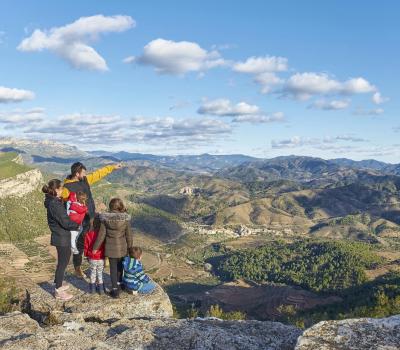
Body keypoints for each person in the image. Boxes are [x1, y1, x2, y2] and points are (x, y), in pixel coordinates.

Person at [62, 162, 123, 278]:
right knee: (79, 244)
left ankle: (102, 257)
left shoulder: (84, 180)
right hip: (78, 220)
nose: (85, 174)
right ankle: (77, 268)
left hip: (91, 216)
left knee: (99, 236)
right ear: (77, 173)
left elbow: (98, 174)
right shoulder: (67, 188)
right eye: (83, 172)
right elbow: (61, 201)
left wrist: (111, 167)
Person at [43, 179, 80, 301]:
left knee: (63, 261)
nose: (63, 190)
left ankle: (58, 284)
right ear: (56, 189)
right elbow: (65, 222)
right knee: (63, 263)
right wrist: (77, 225)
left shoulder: (53, 201)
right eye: (61, 188)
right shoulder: (54, 204)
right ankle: (58, 291)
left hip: (60, 235)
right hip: (61, 236)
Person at [92, 198, 133, 299]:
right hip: (123, 248)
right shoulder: (125, 219)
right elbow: (129, 236)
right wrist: (130, 248)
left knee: (113, 268)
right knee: (120, 267)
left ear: (110, 206)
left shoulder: (105, 219)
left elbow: (101, 235)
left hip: (110, 248)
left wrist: (95, 248)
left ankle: (115, 290)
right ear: (120, 206)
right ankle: (120, 284)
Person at [84, 215, 106, 294]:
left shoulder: (88, 234)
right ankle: (101, 290)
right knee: (100, 273)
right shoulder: (102, 236)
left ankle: (92, 289)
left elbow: (86, 246)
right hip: (101, 257)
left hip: (92, 257)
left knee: (92, 273)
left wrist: (86, 255)